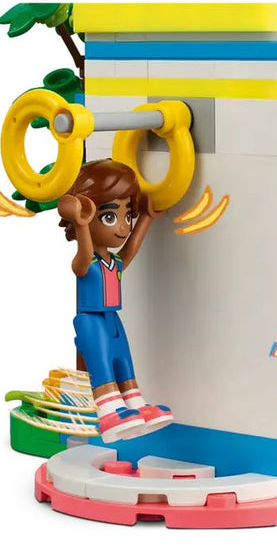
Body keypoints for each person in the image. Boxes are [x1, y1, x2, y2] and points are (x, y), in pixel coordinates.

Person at [57, 159, 172, 443]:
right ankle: (109, 412)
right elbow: (84, 254)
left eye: (127, 215)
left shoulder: (114, 262)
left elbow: (130, 249)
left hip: (112, 319)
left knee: (123, 361)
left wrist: (145, 218)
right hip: (91, 320)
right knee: (102, 365)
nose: (122, 226)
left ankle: (135, 403)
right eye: (110, 217)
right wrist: (82, 224)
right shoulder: (86, 263)